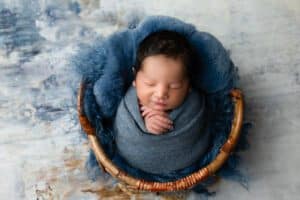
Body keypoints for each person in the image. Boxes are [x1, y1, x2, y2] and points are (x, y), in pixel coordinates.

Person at [113, 30, 210, 174]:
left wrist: (166, 117)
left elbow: (198, 126)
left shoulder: (194, 102)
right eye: (150, 84)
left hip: (183, 160)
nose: (161, 94)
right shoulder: (129, 103)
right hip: (132, 154)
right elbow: (123, 127)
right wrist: (144, 119)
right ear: (135, 78)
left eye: (174, 86)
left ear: (189, 86)